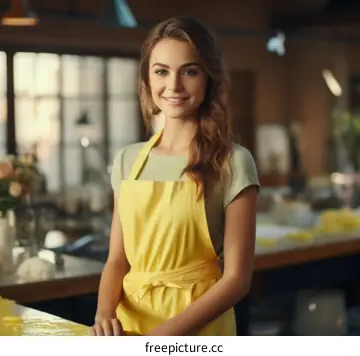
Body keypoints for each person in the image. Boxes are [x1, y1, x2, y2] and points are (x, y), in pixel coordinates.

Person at [90, 17, 260, 336]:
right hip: (130, 329)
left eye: (189, 71)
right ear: (147, 79)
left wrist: (163, 337)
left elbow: (237, 279)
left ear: (209, 77)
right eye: (161, 71)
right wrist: (104, 314)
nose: (174, 86)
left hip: (197, 329)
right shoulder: (128, 160)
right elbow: (116, 260)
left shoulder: (234, 162)